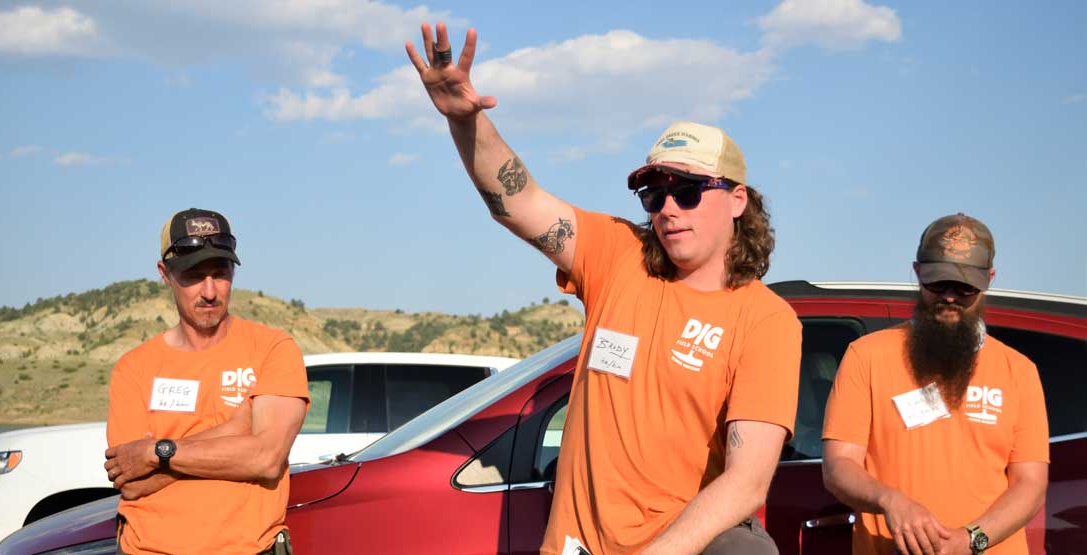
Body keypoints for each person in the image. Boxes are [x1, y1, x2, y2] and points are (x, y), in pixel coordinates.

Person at [406, 23, 802, 555]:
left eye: (687, 191)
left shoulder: (766, 321)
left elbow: (747, 481)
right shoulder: (620, 257)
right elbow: (517, 203)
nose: (667, 208)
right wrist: (465, 121)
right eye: (653, 194)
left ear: (736, 201)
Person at [821, 214, 1049, 555]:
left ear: (989, 280)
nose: (950, 297)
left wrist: (970, 540)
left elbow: (1030, 485)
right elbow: (838, 465)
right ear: (917, 273)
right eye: (938, 284)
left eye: (965, 287)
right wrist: (889, 501)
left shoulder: (1019, 371)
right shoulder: (866, 356)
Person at [103, 208, 309, 555]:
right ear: (165, 274)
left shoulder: (273, 348)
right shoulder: (133, 369)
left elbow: (265, 458)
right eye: (194, 276)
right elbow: (135, 483)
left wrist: (158, 451)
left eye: (221, 273)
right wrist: (237, 429)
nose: (210, 291)